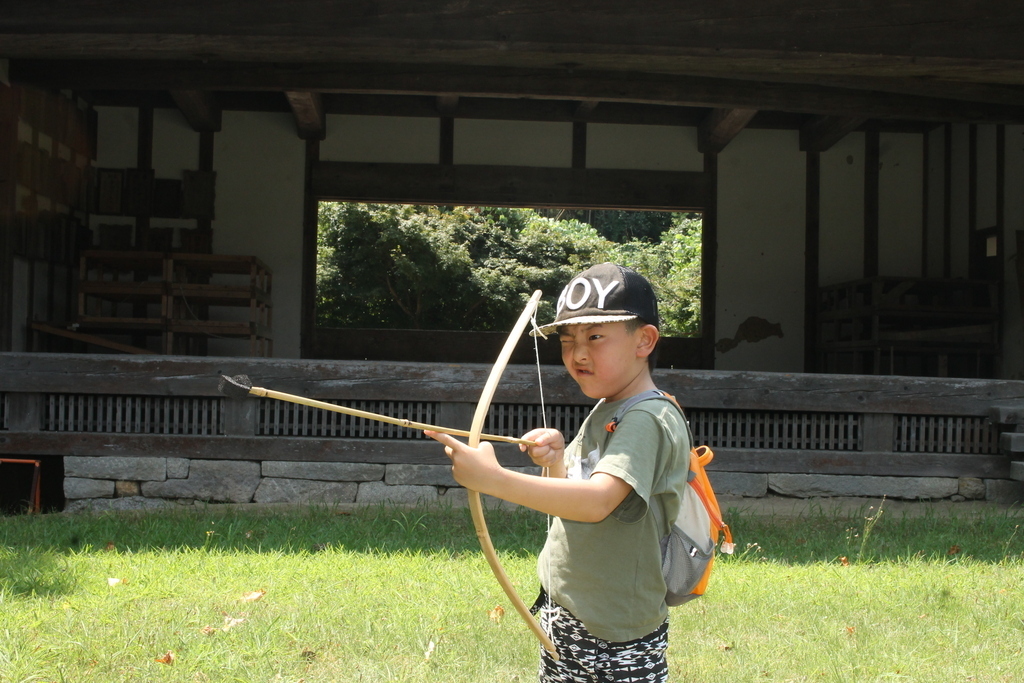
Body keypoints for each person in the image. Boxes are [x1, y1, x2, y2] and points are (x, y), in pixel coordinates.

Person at [425, 262, 690, 682]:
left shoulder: (648, 417)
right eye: (567, 340)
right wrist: (556, 462)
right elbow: (578, 497)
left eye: (595, 337)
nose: (577, 353)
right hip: (576, 612)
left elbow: (600, 502)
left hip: (613, 632)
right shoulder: (610, 408)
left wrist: (494, 481)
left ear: (645, 340)